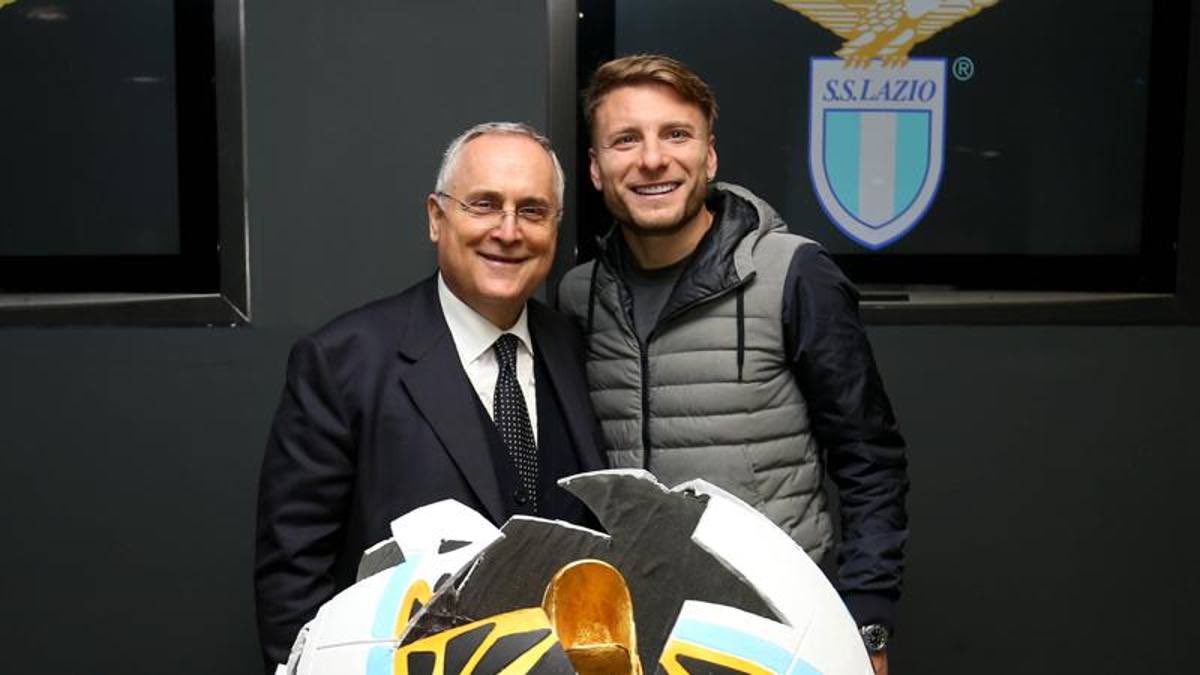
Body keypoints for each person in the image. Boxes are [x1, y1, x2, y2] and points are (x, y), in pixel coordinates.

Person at [558, 55, 909, 674]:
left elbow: (870, 461)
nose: (652, 159)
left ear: (710, 156)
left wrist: (866, 624)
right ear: (595, 167)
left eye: (676, 134)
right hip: (633, 633)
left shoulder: (793, 274)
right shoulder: (578, 295)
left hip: (779, 630)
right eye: (626, 140)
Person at [255, 122, 605, 671]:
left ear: (555, 228)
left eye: (532, 210)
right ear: (437, 218)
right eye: (484, 204)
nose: (508, 231)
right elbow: (292, 576)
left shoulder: (575, 348)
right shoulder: (343, 362)